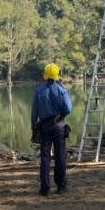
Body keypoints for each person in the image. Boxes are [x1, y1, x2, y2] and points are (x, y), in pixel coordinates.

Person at [31, 63, 73, 196]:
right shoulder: (62, 90)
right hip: (59, 125)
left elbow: (34, 112)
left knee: (45, 157)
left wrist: (33, 127)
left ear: (45, 75)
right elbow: (68, 108)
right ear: (57, 75)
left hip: (44, 126)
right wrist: (60, 117)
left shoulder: (39, 91)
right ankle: (61, 186)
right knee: (60, 155)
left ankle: (45, 188)